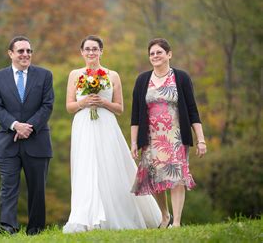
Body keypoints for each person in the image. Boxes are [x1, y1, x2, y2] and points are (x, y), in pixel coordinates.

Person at [63, 35, 161, 233]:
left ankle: (117, 214)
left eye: (95, 49)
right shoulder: (75, 74)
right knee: (86, 167)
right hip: (83, 125)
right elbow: (69, 106)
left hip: (106, 124)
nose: (91, 52)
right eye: (87, 49)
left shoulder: (112, 75)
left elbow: (120, 108)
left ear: (101, 51)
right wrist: (84, 103)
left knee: (110, 165)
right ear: (82, 52)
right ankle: (86, 217)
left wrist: (102, 102)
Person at [130, 38, 207, 228]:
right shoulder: (142, 80)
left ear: (169, 54)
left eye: (159, 52)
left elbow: (192, 110)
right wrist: (133, 143)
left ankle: (177, 222)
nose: (155, 56)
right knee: (156, 178)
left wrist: (201, 139)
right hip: (151, 137)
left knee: (177, 177)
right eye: (152, 54)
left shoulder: (180, 78)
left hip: (176, 137)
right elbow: (135, 115)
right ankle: (165, 217)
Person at [0, 36, 54, 236]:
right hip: (8, 143)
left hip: (37, 141)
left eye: (29, 51)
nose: (26, 54)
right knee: (8, 186)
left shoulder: (44, 75)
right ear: (11, 54)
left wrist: (29, 127)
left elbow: (47, 105)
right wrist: (16, 125)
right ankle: (8, 226)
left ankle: (35, 229)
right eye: (21, 51)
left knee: (37, 189)